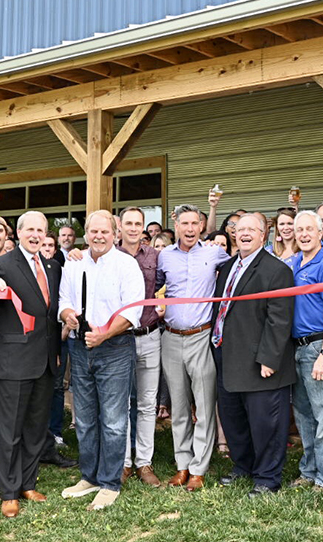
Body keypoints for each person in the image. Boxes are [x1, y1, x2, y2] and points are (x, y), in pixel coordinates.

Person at [57, 210, 144, 510]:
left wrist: (103, 335)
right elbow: (64, 301)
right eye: (93, 232)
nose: (98, 236)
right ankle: (90, 476)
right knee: (84, 419)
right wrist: (67, 315)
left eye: (104, 232)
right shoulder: (74, 263)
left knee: (114, 421)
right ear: (86, 234)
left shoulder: (127, 265)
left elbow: (131, 313)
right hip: (81, 348)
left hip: (115, 348)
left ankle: (109, 482)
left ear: (115, 233)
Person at [0, 210, 64, 519]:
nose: (36, 235)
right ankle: (10, 491)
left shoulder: (53, 267)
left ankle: (28, 482)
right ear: (18, 232)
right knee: (10, 430)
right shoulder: (1, 264)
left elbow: (51, 314)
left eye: (41, 230)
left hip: (45, 362)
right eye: (30, 229)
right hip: (14, 362)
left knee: (35, 428)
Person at [210, 214, 296, 495]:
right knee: (234, 418)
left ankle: (267, 477)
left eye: (251, 229)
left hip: (261, 361)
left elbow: (279, 320)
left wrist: (269, 359)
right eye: (240, 229)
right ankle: (243, 466)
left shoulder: (277, 270)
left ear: (263, 235)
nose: (244, 233)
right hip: (227, 354)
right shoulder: (227, 267)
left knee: (266, 423)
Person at [156, 203, 231, 490]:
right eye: (184, 223)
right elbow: (153, 287)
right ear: (175, 224)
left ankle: (200, 468)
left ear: (202, 226)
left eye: (194, 224)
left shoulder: (214, 253)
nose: (189, 229)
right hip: (171, 337)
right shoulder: (164, 257)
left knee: (203, 403)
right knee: (179, 407)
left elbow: (241, 270)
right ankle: (182, 466)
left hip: (202, 337)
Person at [286, 210, 323, 492]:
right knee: (304, 416)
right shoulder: (295, 262)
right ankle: (309, 471)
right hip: (296, 349)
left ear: (321, 233)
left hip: (318, 348)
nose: (304, 234)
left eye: (310, 229)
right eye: (300, 230)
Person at [118, 207, 164, 487]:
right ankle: (123, 462)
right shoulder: (109, 255)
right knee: (121, 403)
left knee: (147, 403)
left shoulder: (155, 256)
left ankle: (144, 462)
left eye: (138, 224)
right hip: (120, 338)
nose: (134, 228)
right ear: (119, 226)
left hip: (149, 335)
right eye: (129, 223)